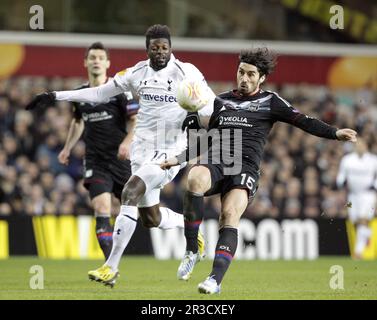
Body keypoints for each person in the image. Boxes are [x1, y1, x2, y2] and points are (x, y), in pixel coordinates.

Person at [26, 24, 214, 287]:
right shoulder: (136, 73)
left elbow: (212, 106)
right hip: (142, 151)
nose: (160, 52)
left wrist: (204, 118)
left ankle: (110, 266)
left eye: (165, 47)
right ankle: (189, 224)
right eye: (154, 47)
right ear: (147, 48)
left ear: (171, 48)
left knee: (130, 192)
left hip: (170, 151)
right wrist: (56, 95)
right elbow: (100, 92)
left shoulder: (187, 72)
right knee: (151, 219)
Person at [161, 47, 357, 294]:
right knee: (194, 178)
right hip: (218, 161)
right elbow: (202, 139)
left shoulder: (271, 101)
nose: (244, 78)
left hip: (245, 168)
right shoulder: (219, 101)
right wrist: (178, 158)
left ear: (261, 77)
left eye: (251, 74)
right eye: (241, 72)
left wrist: (334, 133)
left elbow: (304, 120)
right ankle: (192, 249)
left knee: (229, 215)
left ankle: (214, 280)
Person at [57, 42, 138, 260]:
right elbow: (77, 121)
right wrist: (67, 148)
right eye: (92, 57)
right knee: (102, 208)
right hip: (95, 161)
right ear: (85, 62)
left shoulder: (120, 91)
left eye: (100, 58)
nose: (96, 61)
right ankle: (109, 266)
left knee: (146, 214)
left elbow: (135, 121)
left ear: (108, 63)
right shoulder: (79, 94)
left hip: (121, 160)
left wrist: (127, 142)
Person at [336, 137, 377, 259]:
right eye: (357, 145)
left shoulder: (373, 160)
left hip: (367, 195)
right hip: (352, 196)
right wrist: (341, 184)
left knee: (364, 219)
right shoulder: (347, 160)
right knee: (354, 220)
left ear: (366, 146)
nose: (360, 147)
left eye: (362, 144)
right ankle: (366, 233)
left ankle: (358, 252)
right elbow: (341, 176)